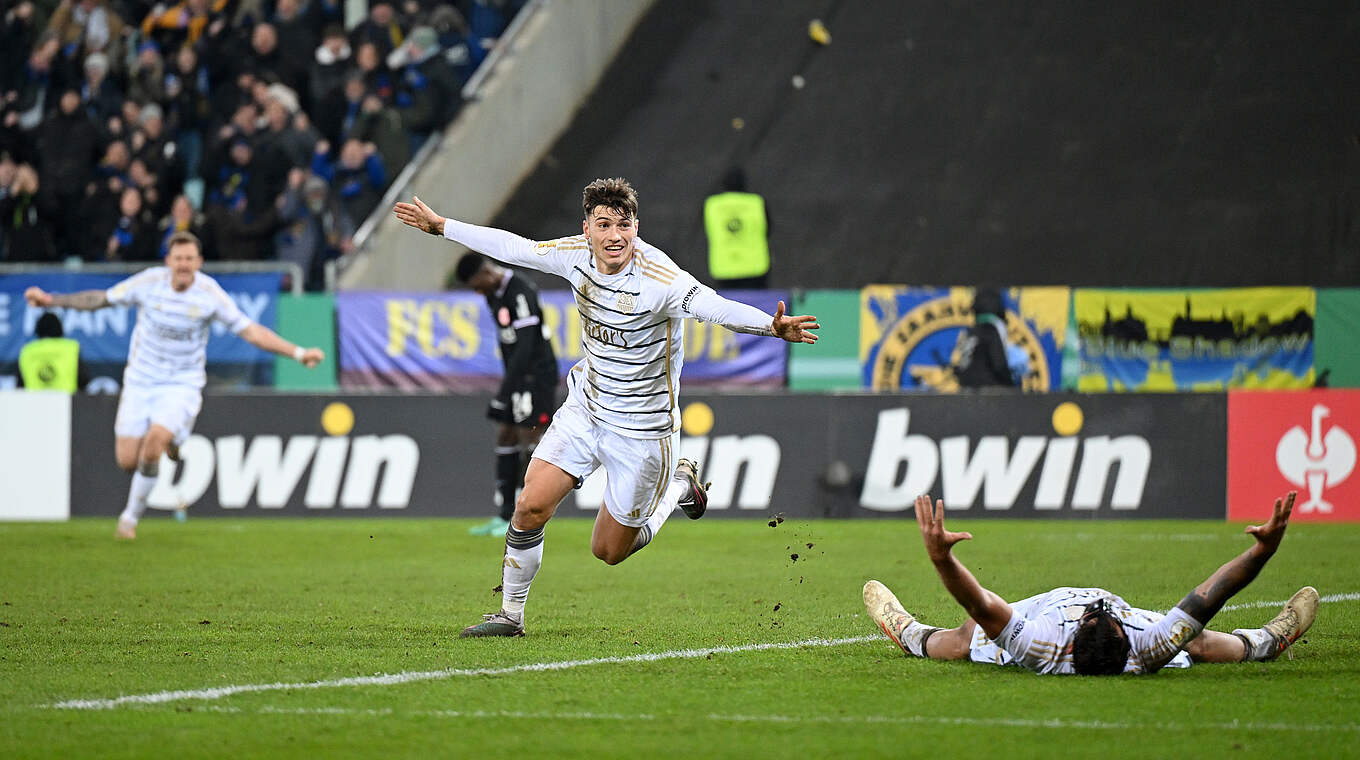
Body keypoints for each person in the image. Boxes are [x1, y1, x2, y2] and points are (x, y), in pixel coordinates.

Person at [394, 178, 820, 637]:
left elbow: (714, 307)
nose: (615, 235)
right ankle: (510, 615)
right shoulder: (574, 253)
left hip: (643, 429)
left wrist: (770, 327)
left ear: (636, 226)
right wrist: (443, 227)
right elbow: (516, 248)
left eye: (624, 224)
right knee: (530, 506)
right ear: (587, 228)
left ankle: (679, 484)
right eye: (604, 224)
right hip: (587, 407)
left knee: (609, 551)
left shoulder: (662, 279)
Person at [24, 231, 325, 539]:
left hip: (182, 384)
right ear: (168, 261)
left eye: (189, 259)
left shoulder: (210, 294)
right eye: (178, 258)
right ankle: (174, 438)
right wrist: (52, 300)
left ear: (199, 262)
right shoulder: (148, 283)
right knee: (128, 460)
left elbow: (251, 332)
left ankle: (129, 519)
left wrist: (298, 353)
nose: (183, 265)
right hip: (140, 382)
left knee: (152, 444)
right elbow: (100, 299)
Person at [863, 492, 1318, 675]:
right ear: (1127, 639)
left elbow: (982, 605)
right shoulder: (1147, 645)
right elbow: (1208, 596)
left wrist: (942, 560)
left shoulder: (1043, 644)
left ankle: (909, 633)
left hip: (1047, 608)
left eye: (1095, 618)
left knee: (969, 635)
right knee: (1193, 643)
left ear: (1074, 639)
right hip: (1120, 635)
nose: (1099, 609)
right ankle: (1265, 641)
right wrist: (1261, 552)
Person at [453, 250, 560, 538]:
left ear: (485, 273)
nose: (477, 292)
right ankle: (504, 515)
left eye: (476, 285)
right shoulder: (493, 295)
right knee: (505, 434)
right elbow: (509, 343)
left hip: (537, 376)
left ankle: (530, 514)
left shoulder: (520, 291)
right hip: (517, 376)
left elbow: (525, 348)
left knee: (530, 436)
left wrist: (504, 391)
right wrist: (508, 387)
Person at [703, 166, 770, 290]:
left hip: (724, 268)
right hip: (755, 267)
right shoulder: (756, 202)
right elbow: (768, 230)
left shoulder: (712, 205)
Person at [953, 287, 1027, 388]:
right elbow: (999, 364)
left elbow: (959, 366)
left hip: (966, 390)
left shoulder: (969, 332)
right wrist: (1010, 382)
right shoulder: (990, 329)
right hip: (987, 391)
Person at [17, 312, 89, 392]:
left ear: (38, 329)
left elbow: (20, 384)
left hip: (34, 401)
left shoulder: (27, 350)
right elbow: (83, 379)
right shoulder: (71, 348)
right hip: (65, 401)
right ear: (59, 328)